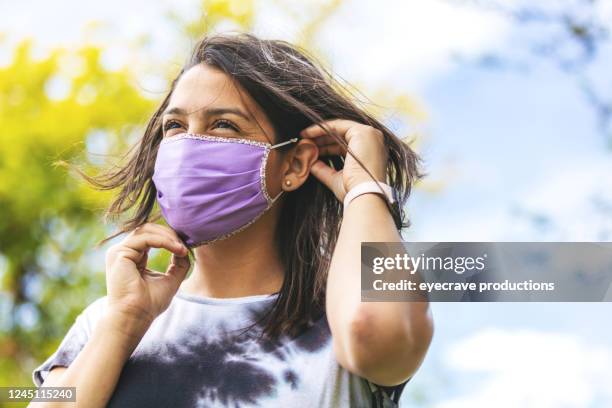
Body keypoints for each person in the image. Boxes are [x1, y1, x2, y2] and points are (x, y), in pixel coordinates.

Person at [30, 33, 433, 408]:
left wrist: (364, 189)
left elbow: (372, 328)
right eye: (175, 126)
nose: (189, 146)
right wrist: (123, 323)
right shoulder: (105, 319)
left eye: (223, 125)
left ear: (293, 163)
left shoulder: (339, 317)